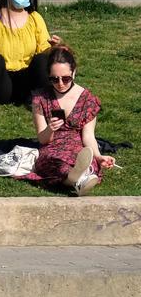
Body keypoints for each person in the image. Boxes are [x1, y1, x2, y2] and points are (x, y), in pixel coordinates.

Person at [19, 45, 115, 196]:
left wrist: (98, 156)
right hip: (52, 147)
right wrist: (50, 128)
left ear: (74, 72)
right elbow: (43, 140)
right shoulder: (40, 98)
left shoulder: (88, 99)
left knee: (86, 162)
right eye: (54, 79)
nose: (61, 84)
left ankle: (77, 177)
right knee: (55, 164)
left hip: (77, 147)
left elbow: (88, 136)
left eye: (66, 78)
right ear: (48, 76)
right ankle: (78, 179)